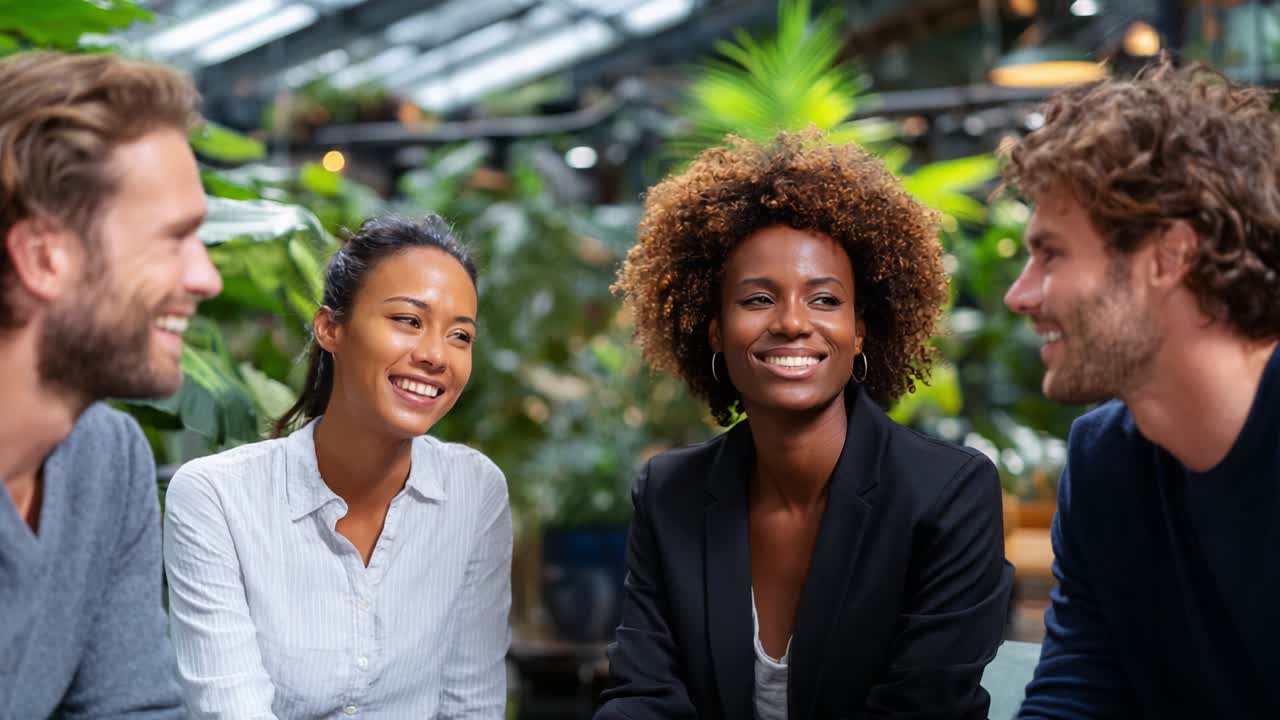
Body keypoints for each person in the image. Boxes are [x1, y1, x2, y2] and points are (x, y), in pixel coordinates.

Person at [597, 130, 1014, 720]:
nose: (793, 323)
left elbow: (922, 709)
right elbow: (644, 696)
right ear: (714, 330)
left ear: (861, 330)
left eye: (823, 300)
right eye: (757, 299)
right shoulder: (671, 495)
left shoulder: (946, 494)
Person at [1002, 59, 1280, 718]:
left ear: (1170, 256)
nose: (1020, 295)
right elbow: (1077, 695)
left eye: (1051, 254)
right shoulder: (1106, 464)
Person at [163, 215, 512, 718]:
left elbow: (471, 706)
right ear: (330, 328)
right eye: (408, 321)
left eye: (460, 335)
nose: (437, 355)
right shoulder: (217, 498)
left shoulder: (475, 492)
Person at [0, 51, 221, 717]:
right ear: (44, 257)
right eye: (174, 239)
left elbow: (130, 707)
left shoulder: (106, 460)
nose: (205, 277)